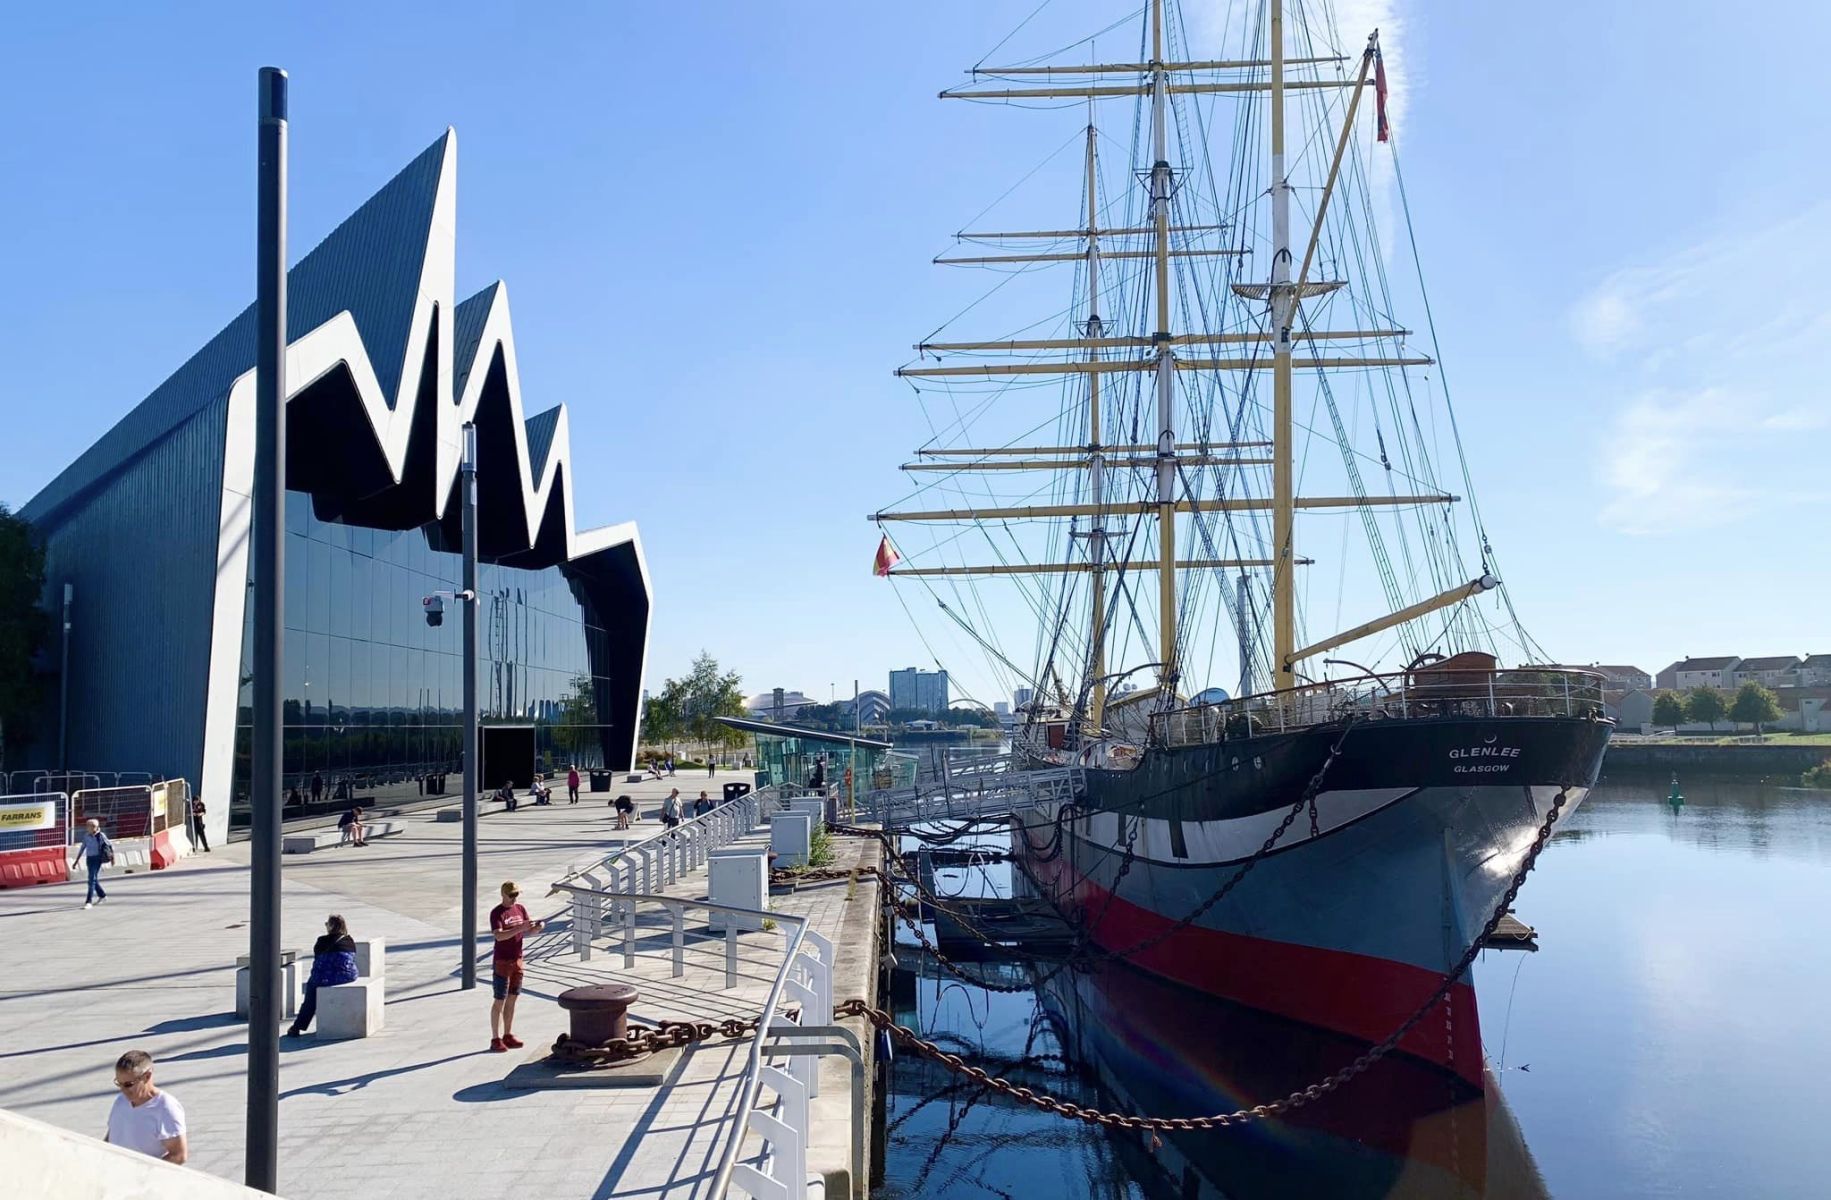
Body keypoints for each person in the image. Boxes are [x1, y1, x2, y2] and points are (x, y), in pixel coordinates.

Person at [488, 881, 544, 1052]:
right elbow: (499, 936)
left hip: (517, 959)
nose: (514, 898)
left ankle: (508, 1033)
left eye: (516, 895)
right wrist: (519, 927)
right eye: (511, 895)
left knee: (513, 997)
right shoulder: (497, 913)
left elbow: (528, 930)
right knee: (500, 999)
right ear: (503, 895)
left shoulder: (520, 909)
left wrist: (537, 928)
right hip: (502, 961)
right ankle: (495, 1037)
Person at [106, 1050, 186, 1165]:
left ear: (147, 1076)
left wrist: (144, 1174)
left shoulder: (166, 1107)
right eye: (119, 1083)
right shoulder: (121, 1101)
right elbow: (111, 1136)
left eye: (129, 1084)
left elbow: (179, 1155)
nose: (123, 1090)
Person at [287, 914, 359, 1037]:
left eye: (327, 924)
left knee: (311, 993)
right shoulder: (349, 940)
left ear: (330, 927)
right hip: (346, 976)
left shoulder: (321, 941)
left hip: (323, 978)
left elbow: (318, 960)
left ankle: (297, 1026)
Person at [72, 819, 113, 909]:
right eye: (87, 826)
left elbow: (109, 846)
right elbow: (82, 848)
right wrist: (76, 861)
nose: (87, 828)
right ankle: (102, 895)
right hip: (89, 859)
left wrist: (113, 859)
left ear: (94, 827)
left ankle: (88, 901)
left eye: (89, 826)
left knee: (91, 880)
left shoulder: (101, 836)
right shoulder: (86, 836)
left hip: (97, 859)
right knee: (93, 879)